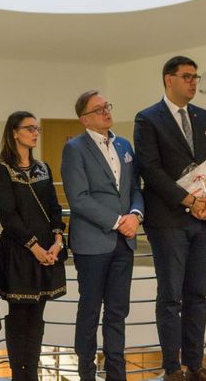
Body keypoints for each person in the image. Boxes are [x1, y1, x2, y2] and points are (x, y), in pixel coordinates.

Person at [133, 56, 206, 381]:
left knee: (198, 296)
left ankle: (194, 366)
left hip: (202, 220)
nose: (193, 82)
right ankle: (172, 369)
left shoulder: (204, 116)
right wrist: (188, 199)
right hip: (168, 220)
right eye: (187, 76)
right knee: (171, 297)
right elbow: (150, 169)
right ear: (168, 79)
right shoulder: (148, 118)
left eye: (195, 77)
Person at [61, 90, 144, 381]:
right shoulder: (75, 148)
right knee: (90, 310)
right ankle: (86, 372)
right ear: (84, 119)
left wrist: (136, 215)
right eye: (98, 109)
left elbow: (135, 188)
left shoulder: (124, 145)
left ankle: (116, 374)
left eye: (107, 106)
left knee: (118, 311)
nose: (106, 111)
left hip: (124, 242)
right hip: (93, 243)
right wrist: (118, 221)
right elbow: (78, 198)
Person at [0, 111, 66, 381]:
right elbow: (8, 215)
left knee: (37, 315)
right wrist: (35, 248)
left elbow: (54, 207)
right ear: (14, 132)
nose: (35, 133)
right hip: (20, 253)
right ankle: (18, 374)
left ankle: (31, 372)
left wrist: (57, 241)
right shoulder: (3, 169)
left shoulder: (43, 167)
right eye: (29, 128)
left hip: (47, 251)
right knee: (19, 316)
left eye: (37, 128)